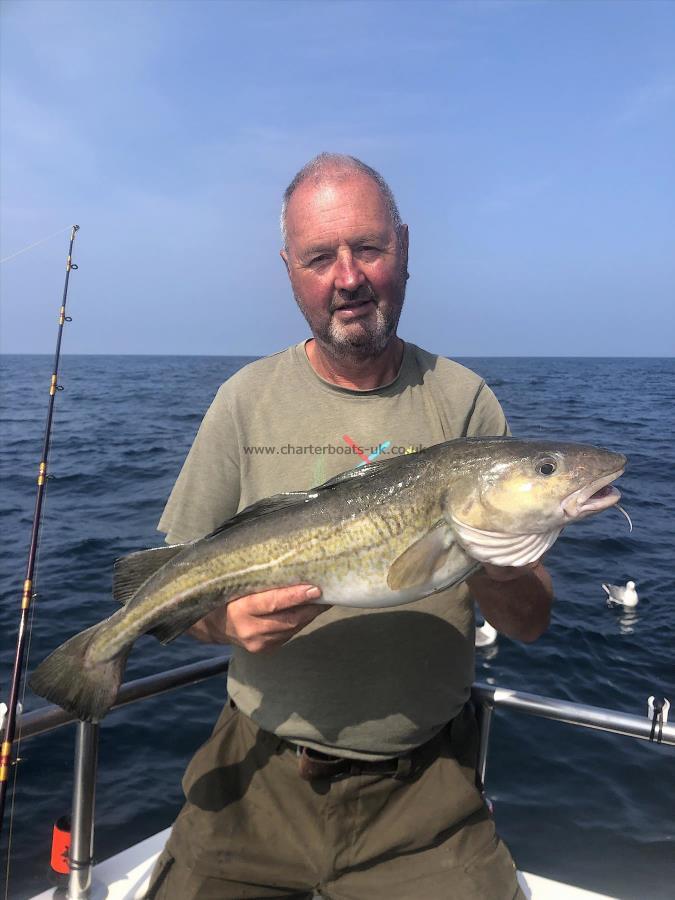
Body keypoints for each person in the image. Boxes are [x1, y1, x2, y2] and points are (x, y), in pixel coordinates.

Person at [147, 153, 553, 899]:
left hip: (426, 794)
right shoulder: (243, 401)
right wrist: (225, 626)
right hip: (252, 781)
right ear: (289, 271)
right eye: (318, 257)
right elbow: (178, 596)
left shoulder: (465, 404)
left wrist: (497, 557)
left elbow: (529, 624)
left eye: (367, 247)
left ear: (403, 248)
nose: (347, 276)